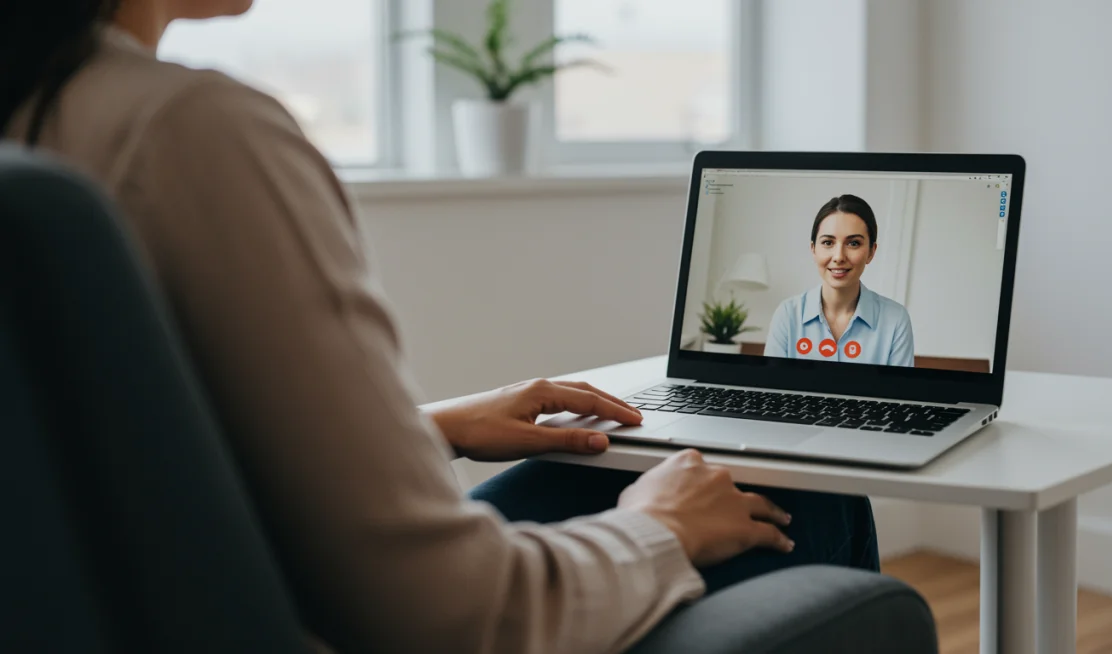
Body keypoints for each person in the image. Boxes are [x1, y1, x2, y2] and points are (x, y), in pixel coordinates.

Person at [1, 2, 879, 652]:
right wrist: (662, 529)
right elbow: (455, 618)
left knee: (606, 475)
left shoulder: (40, 126)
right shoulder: (186, 131)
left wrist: (430, 431)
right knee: (812, 493)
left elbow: (116, 479)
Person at [765, 194, 915, 366]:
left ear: (871, 252)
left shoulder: (895, 320)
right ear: (813, 249)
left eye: (853, 243)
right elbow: (773, 386)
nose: (838, 257)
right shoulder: (787, 315)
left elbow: (897, 392)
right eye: (828, 242)